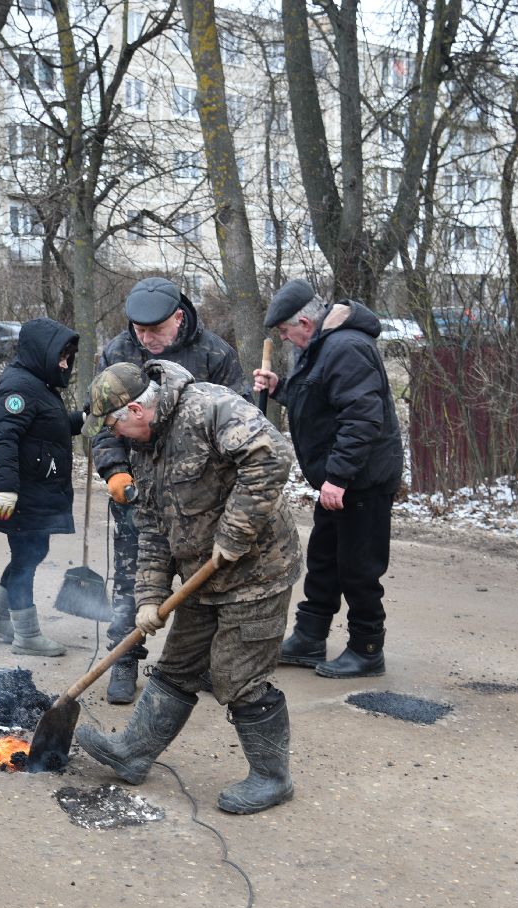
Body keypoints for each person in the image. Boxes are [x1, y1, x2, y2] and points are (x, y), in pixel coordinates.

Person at [75, 359, 301, 815]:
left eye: (115, 423)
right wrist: (150, 598)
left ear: (137, 411)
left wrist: (234, 533)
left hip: (256, 574)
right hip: (202, 575)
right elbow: (153, 528)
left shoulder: (210, 408)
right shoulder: (145, 448)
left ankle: (272, 778)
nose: (114, 435)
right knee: (178, 665)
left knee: (237, 678)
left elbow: (272, 457)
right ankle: (133, 752)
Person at [93, 277, 247, 705]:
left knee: (209, 582)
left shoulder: (216, 354)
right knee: (133, 578)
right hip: (138, 490)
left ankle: (206, 663)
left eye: (156, 330)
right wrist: (115, 472)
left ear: (179, 317)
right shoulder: (118, 352)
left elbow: (240, 420)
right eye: (140, 331)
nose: (147, 339)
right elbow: (103, 424)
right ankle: (124, 658)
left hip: (203, 494)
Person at [253, 279, 405, 679]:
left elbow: (362, 417)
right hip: (339, 480)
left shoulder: (346, 347)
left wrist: (338, 477)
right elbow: (320, 399)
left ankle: (367, 648)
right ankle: (310, 637)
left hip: (362, 480)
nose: (286, 339)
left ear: (304, 321)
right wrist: (280, 388)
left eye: (286, 332)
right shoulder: (321, 345)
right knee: (324, 559)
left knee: (358, 566)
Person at [0, 318, 84, 656]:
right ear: (43, 353)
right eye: (61, 357)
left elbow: (48, 430)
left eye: (68, 358)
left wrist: (83, 419)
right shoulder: (18, 388)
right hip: (19, 495)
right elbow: (3, 439)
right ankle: (26, 636)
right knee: (27, 557)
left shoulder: (38, 384)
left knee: (31, 553)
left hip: (36, 491)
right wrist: (6, 488)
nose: (65, 364)